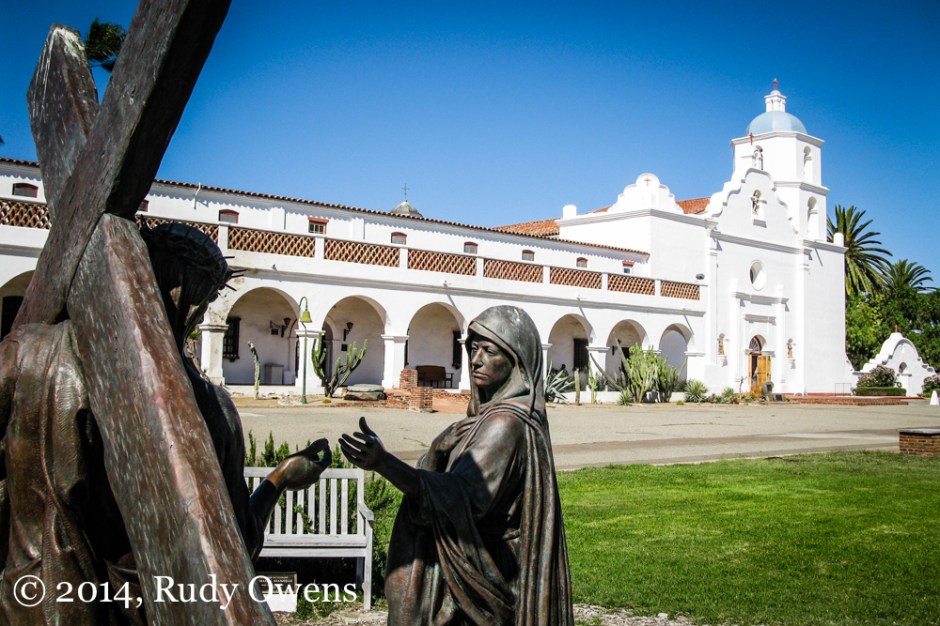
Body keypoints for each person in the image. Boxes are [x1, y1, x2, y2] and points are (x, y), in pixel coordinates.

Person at [0, 224, 329, 624]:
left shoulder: (27, 352)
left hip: (27, 598)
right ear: (191, 304)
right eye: (205, 306)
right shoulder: (211, 410)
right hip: (136, 610)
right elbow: (232, 545)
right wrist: (277, 481)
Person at [340, 305, 573, 625]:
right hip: (471, 560)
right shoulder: (486, 419)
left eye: (489, 351)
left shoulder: (505, 423)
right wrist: (436, 450)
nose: (476, 359)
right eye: (473, 348)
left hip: (481, 570)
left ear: (516, 361)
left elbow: (459, 495)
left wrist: (385, 464)